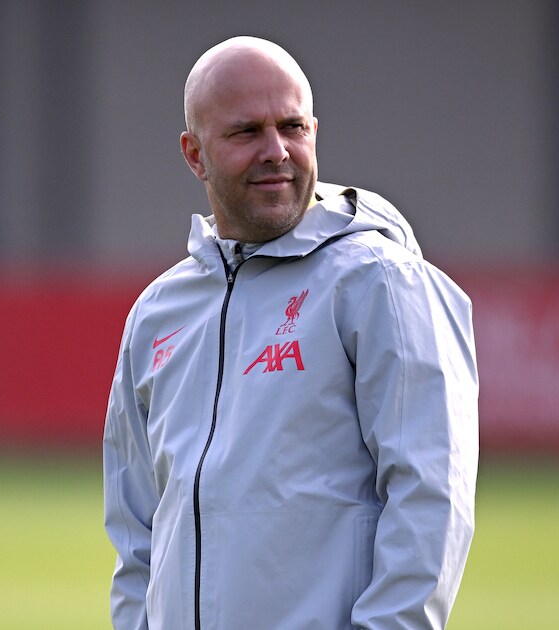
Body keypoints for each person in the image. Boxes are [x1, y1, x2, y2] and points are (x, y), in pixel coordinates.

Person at [103, 36, 479, 630]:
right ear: (195, 154)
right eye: (246, 132)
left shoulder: (382, 282)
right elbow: (135, 536)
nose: (276, 151)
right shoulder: (157, 313)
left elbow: (432, 497)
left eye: (292, 127)